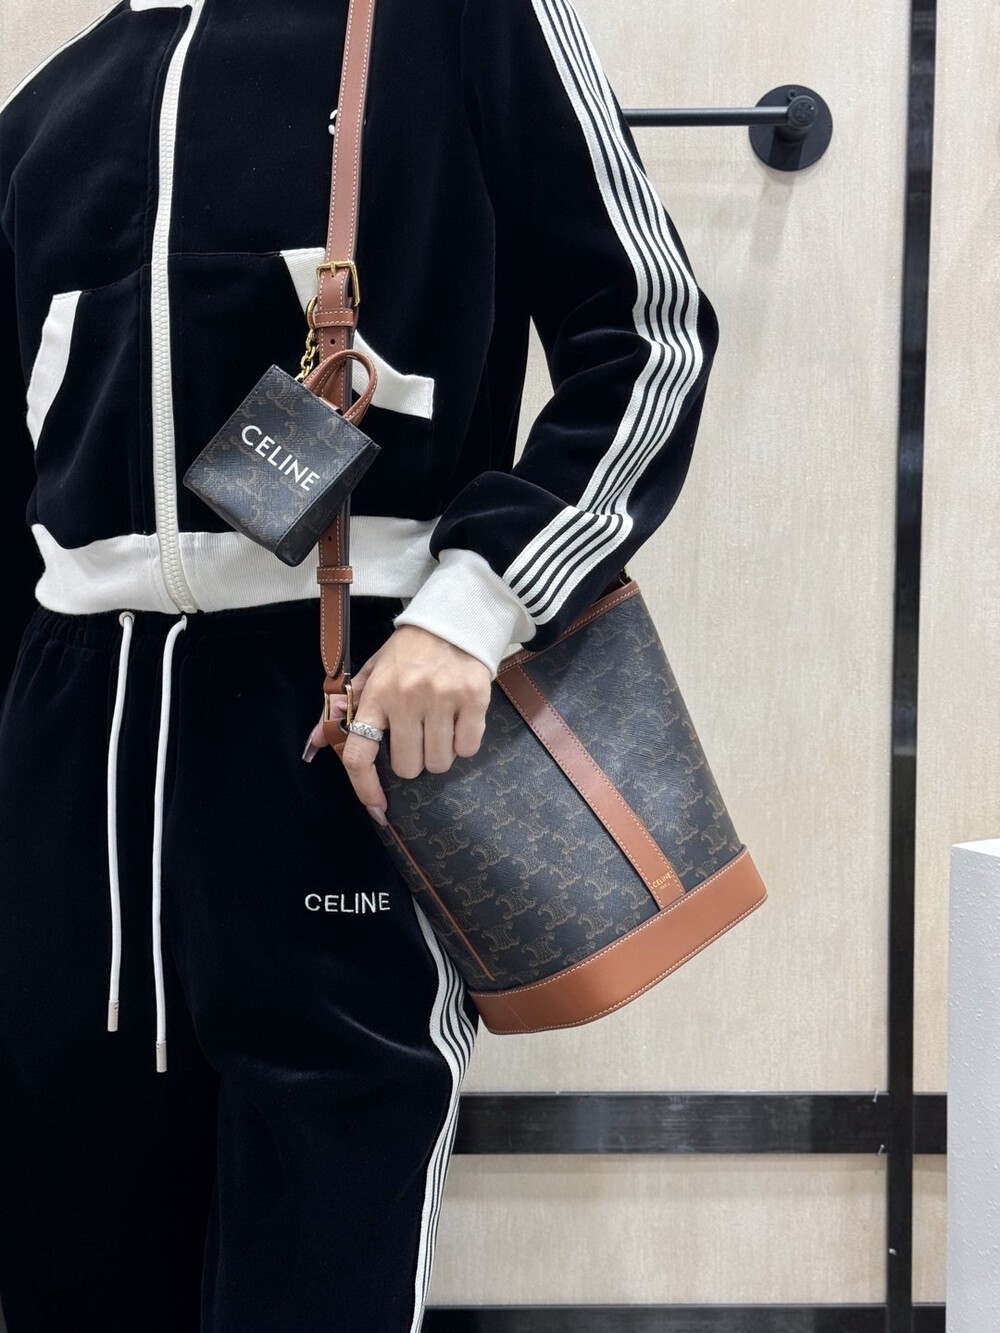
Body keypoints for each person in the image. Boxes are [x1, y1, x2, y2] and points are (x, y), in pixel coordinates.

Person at [0, 0, 719, 1328]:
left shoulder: (459, 26)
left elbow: (650, 333)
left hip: (337, 714)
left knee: (324, 1253)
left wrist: (478, 599)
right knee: (66, 1248)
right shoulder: (53, 108)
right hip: (69, 743)